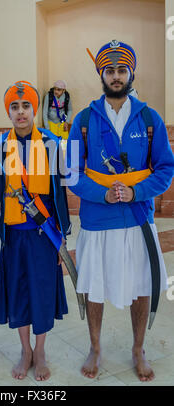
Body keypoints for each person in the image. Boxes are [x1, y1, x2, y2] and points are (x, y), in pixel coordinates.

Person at [67, 40, 174, 382]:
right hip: (98, 221)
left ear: (131, 73)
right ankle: (95, 347)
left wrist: (135, 191)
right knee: (94, 287)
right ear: (101, 74)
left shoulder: (149, 117)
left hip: (138, 220)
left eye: (121, 70)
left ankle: (138, 348)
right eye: (109, 70)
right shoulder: (83, 120)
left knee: (142, 286)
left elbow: (165, 169)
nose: (116, 76)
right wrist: (103, 194)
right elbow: (71, 174)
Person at [0, 80, 70, 381]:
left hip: (44, 236)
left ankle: (40, 351)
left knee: (42, 292)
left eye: (26, 106)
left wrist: (61, 239)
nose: (21, 111)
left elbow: (59, 196)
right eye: (15, 106)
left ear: (34, 109)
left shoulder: (51, 145)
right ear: (8, 112)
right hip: (14, 237)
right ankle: (25, 350)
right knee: (20, 293)